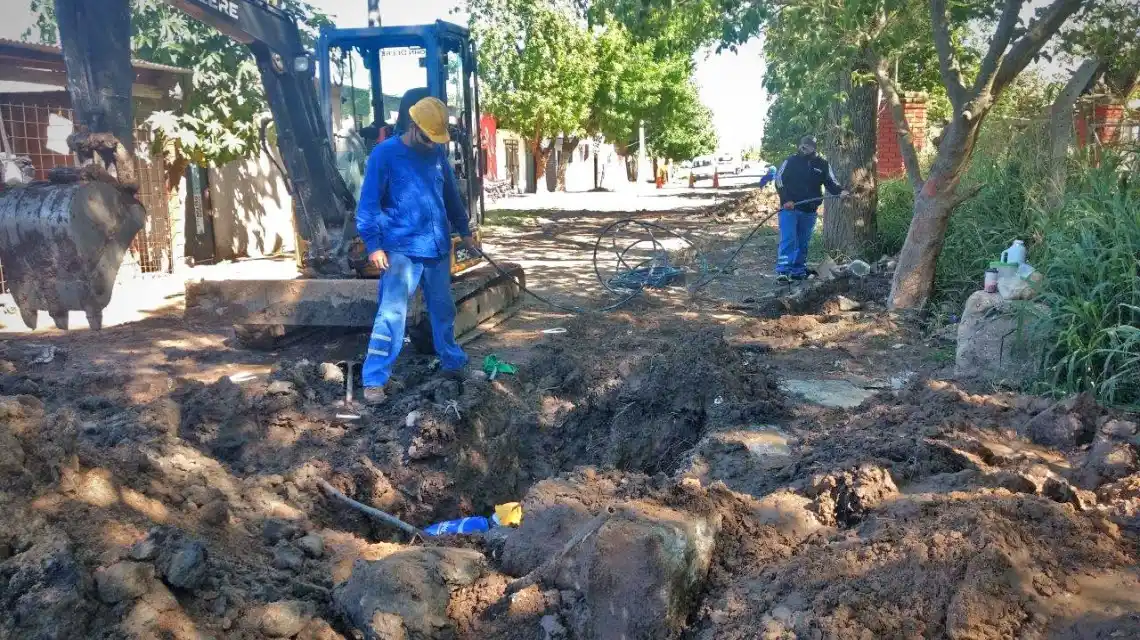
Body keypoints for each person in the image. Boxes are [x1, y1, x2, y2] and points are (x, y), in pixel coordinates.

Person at [355, 95, 477, 405]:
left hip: (436, 248)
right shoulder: (385, 155)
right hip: (401, 250)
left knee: (443, 310)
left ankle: (453, 361)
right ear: (413, 126)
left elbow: (451, 196)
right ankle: (374, 379)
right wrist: (373, 246)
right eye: (428, 137)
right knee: (391, 314)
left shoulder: (436, 154)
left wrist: (464, 232)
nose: (432, 143)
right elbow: (368, 204)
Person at [773, 136, 849, 283]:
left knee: (803, 242)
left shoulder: (822, 164)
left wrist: (841, 192)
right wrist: (786, 199)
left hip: (809, 211)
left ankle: (798, 270)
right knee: (788, 239)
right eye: (802, 145)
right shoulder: (791, 161)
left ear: (813, 148)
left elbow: (831, 182)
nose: (803, 148)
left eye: (807, 146)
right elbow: (779, 179)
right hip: (790, 209)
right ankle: (783, 271)